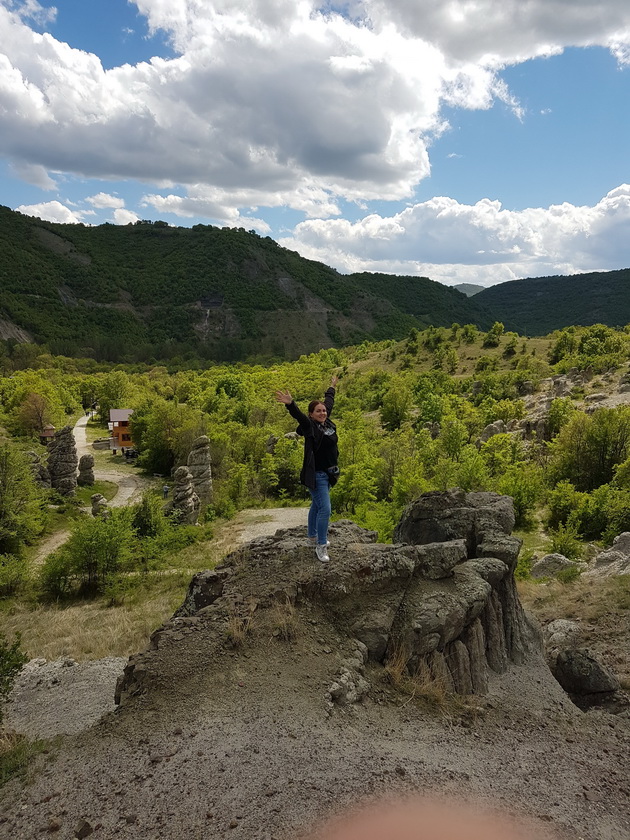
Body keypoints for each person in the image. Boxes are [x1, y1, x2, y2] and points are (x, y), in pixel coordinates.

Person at [275, 375, 339, 563]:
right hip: (316, 475)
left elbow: (328, 401)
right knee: (325, 509)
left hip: (328, 474)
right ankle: (321, 545)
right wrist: (290, 404)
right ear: (311, 414)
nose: (323, 413)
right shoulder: (310, 426)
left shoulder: (327, 423)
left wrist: (332, 386)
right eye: (318, 411)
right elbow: (299, 416)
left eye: (324, 411)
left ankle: (311, 536)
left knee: (316, 505)